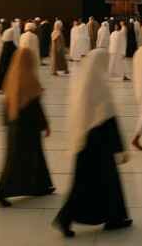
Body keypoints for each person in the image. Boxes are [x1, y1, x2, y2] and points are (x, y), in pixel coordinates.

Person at [53, 49, 132, 237]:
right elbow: (107, 117)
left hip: (85, 142)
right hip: (99, 143)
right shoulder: (100, 85)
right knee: (101, 183)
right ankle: (68, 218)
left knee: (89, 183)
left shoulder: (84, 83)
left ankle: (114, 218)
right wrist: (120, 147)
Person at [0, 48, 54, 207]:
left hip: (15, 125)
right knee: (17, 160)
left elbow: (6, 103)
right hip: (27, 126)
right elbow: (35, 105)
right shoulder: (29, 78)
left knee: (34, 156)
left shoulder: (11, 76)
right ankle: (0, 191)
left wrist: (7, 122)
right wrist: (45, 124)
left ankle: (41, 186)